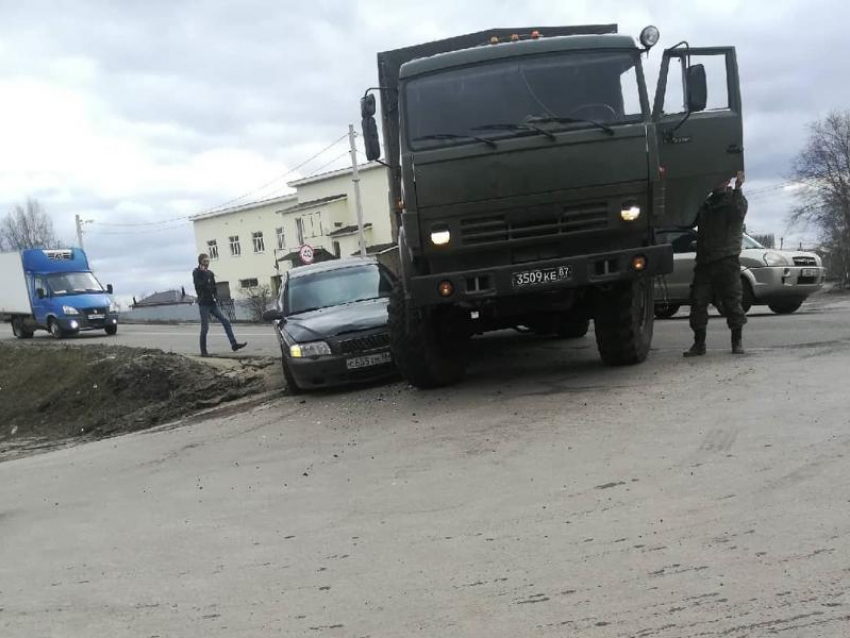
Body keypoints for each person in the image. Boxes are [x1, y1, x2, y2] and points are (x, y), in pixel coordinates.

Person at [684, 170, 748, 357]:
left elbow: (739, 213)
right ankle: (699, 343)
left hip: (726, 260)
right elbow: (687, 221)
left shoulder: (733, 200)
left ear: (727, 181)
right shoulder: (705, 204)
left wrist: (738, 188)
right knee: (697, 302)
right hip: (705, 262)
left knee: (732, 302)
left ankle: (737, 341)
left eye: (721, 179)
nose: (717, 182)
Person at [192, 254, 246, 357]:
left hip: (212, 303)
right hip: (203, 304)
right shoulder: (196, 272)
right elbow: (199, 285)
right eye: (205, 261)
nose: (207, 263)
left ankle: (234, 344)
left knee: (225, 321)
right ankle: (203, 351)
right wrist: (203, 273)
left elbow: (213, 286)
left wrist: (216, 296)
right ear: (200, 262)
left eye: (208, 261)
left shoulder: (210, 273)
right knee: (205, 328)